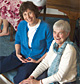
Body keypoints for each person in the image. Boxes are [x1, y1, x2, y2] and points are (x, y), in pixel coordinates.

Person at [0, 1, 53, 84]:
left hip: (34, 59)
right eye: (25, 14)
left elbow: (50, 49)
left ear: (35, 12)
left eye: (30, 13)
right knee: (1, 65)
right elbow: (18, 41)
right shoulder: (22, 24)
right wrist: (18, 53)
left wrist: (37, 61)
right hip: (21, 54)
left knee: (19, 79)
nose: (28, 17)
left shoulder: (46, 27)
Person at [19, 20, 77, 84]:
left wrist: (39, 82)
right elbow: (45, 62)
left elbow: (60, 76)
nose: (56, 36)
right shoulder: (54, 43)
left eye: (60, 33)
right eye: (55, 32)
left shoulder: (69, 50)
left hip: (64, 82)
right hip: (51, 75)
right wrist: (31, 77)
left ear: (67, 34)